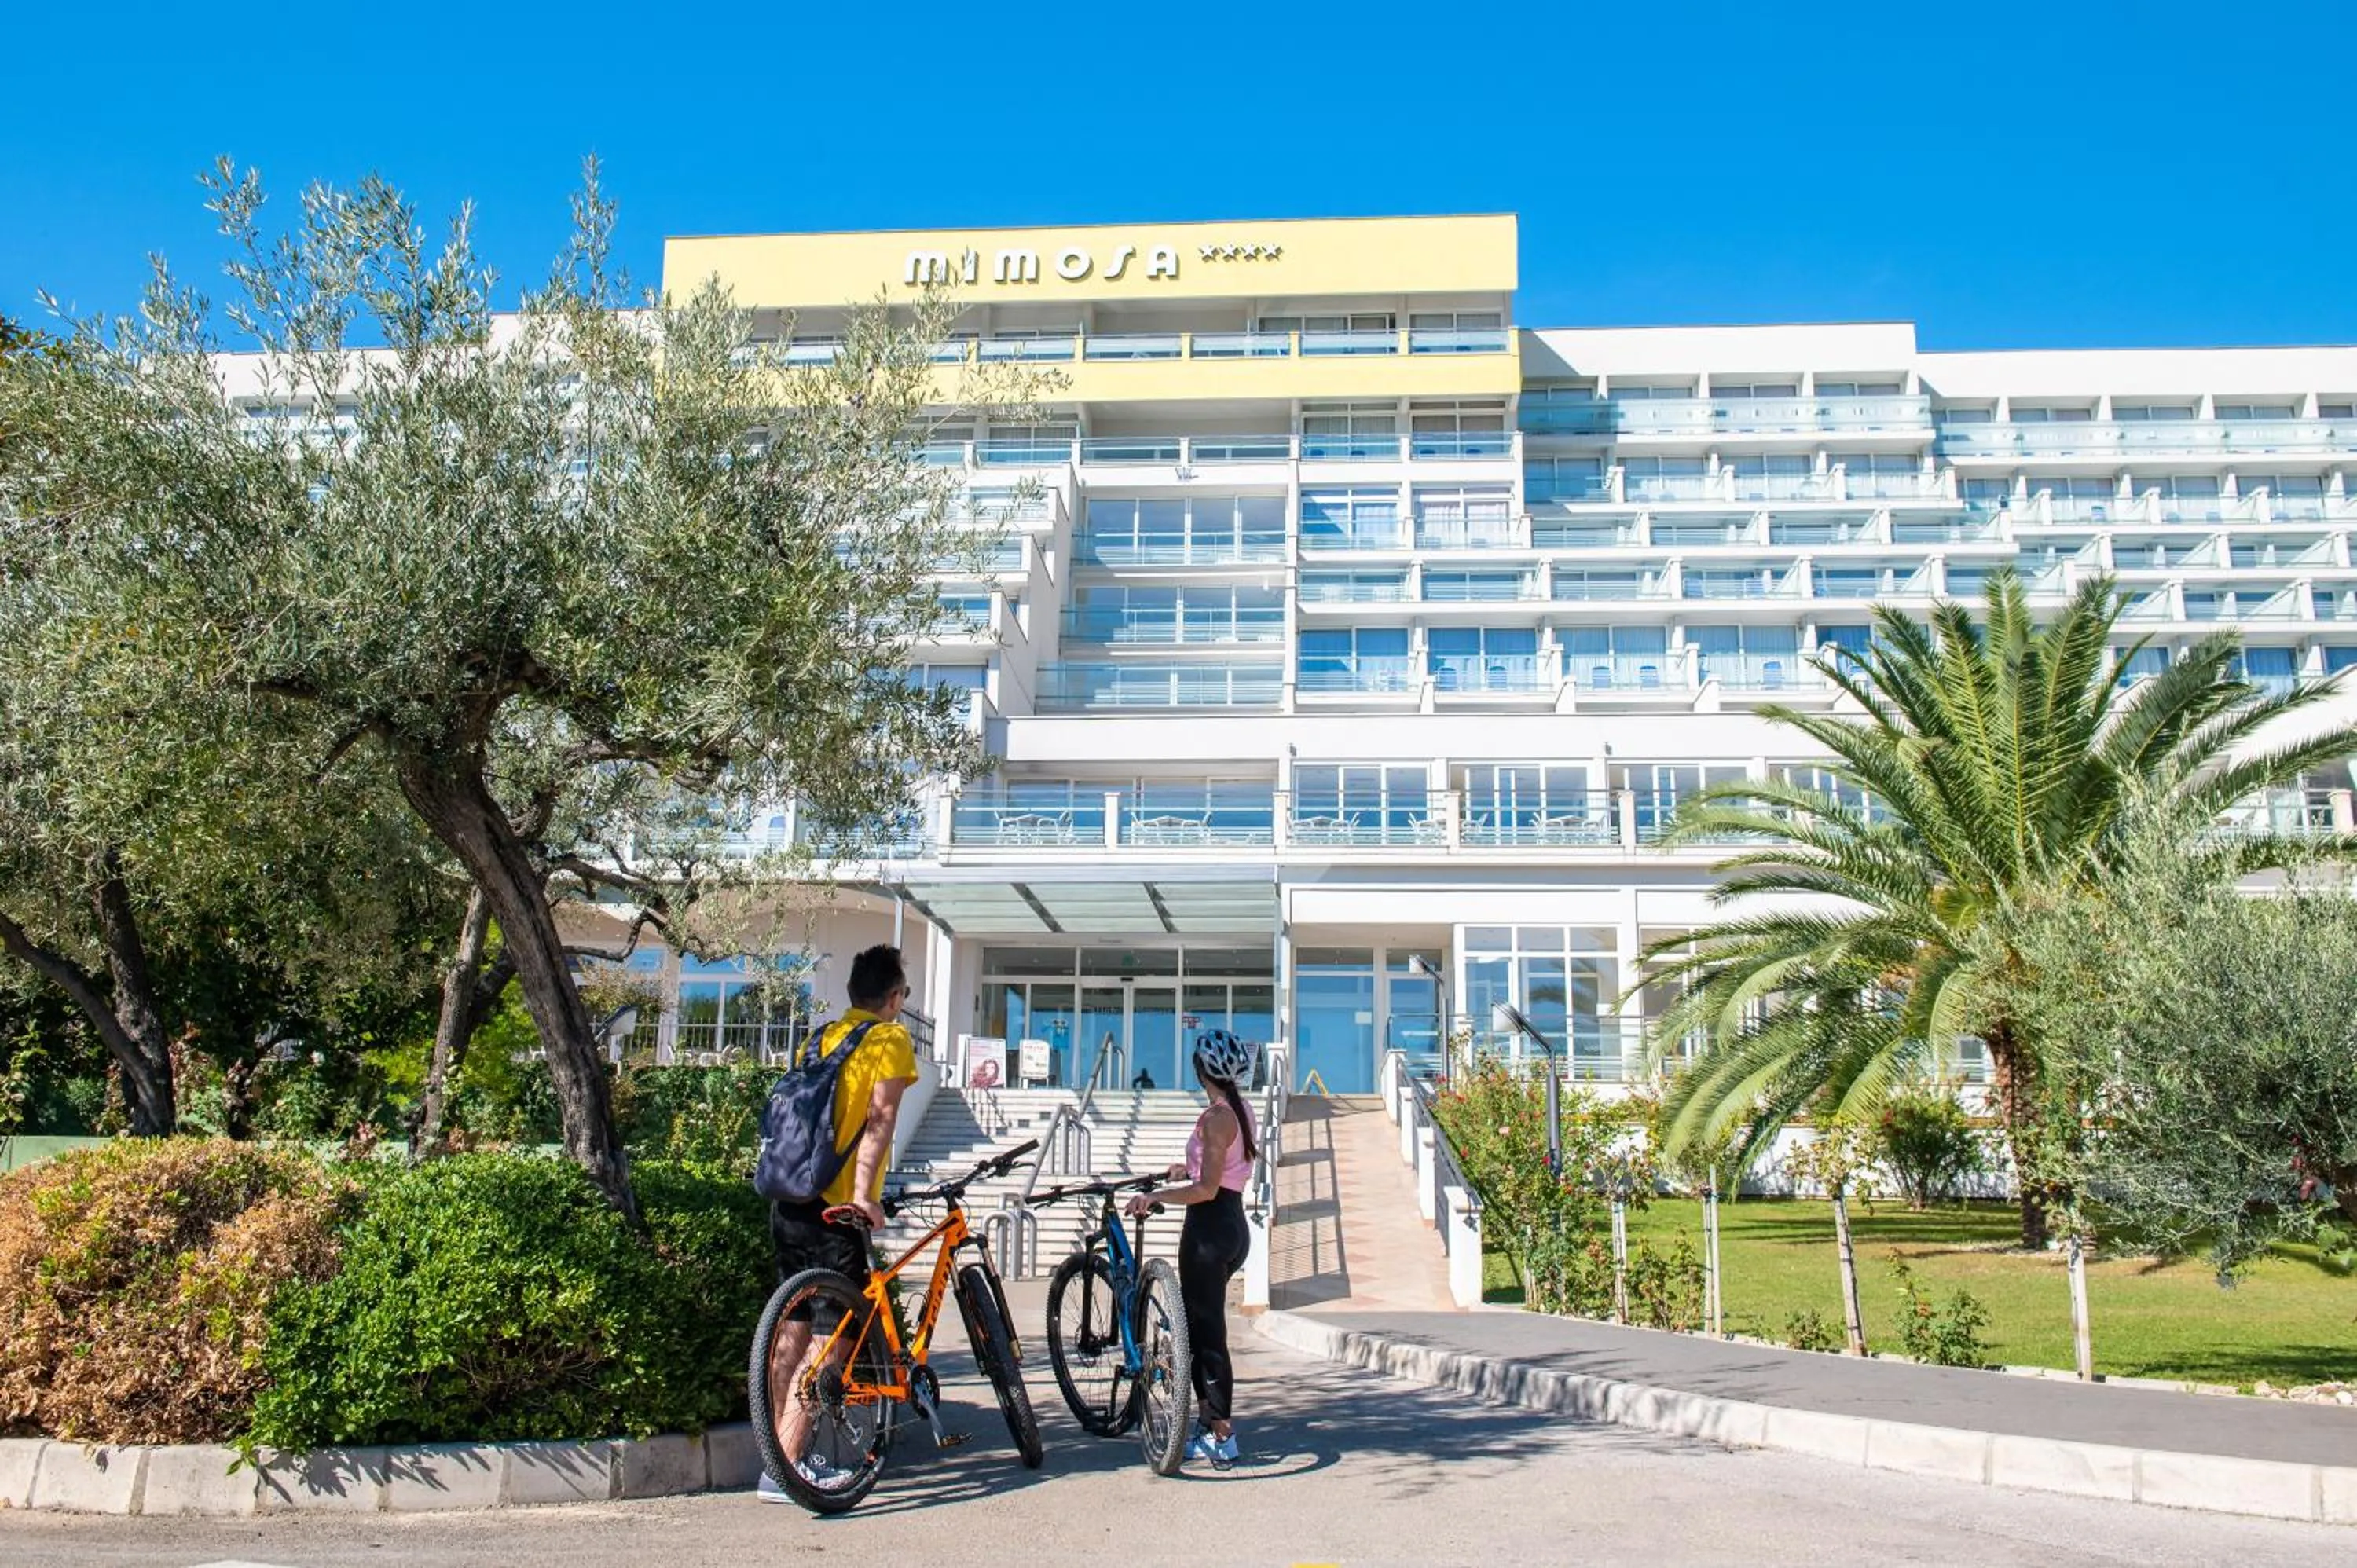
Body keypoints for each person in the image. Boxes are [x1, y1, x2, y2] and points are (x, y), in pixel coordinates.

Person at [758, 944, 919, 1501]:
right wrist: (861, 1197)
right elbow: (880, 1119)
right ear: (894, 998)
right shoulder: (889, 1039)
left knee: (791, 1328)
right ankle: (793, 1469)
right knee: (833, 1337)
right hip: (832, 1208)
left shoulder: (819, 1037)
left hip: (788, 1198)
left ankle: (775, 1456)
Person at [1127, 1028, 1257, 1467]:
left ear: (1201, 1070)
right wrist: (1184, 1166)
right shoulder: (1238, 1111)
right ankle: (1207, 1425)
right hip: (1234, 1226)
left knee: (1207, 1334)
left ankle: (1222, 1433)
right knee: (1205, 1329)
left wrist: (1155, 1198)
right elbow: (1224, 1168)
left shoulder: (1214, 1119)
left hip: (1209, 1230)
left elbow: (1205, 1190)